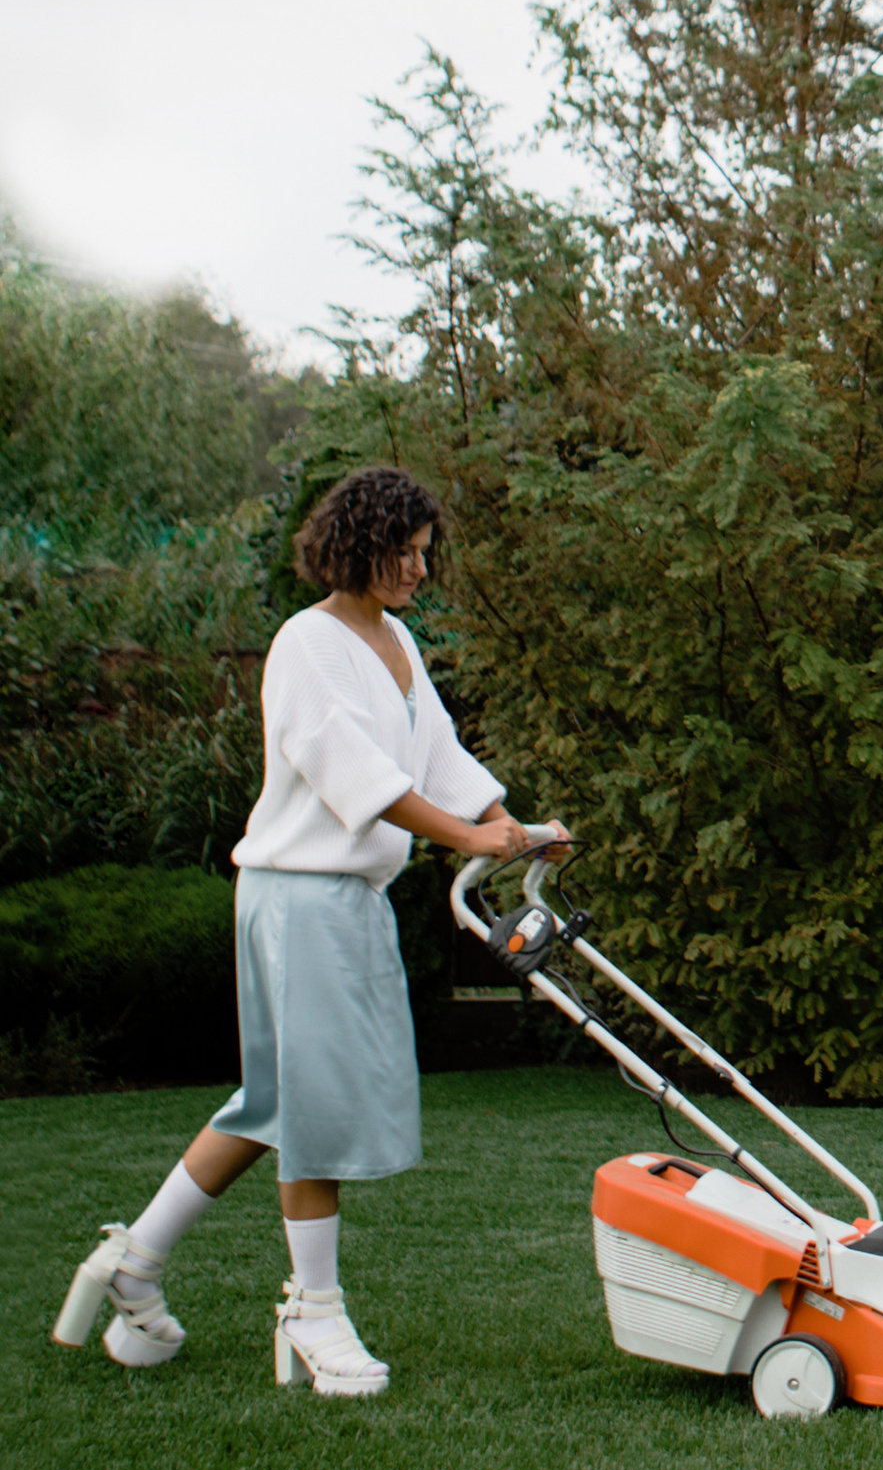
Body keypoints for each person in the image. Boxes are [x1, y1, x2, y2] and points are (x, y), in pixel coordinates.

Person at [52, 463, 562, 1398]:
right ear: (360, 546)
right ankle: (313, 1311)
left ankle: (135, 1260)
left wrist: (512, 825)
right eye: (406, 553)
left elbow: (437, 754)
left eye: (426, 554)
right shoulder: (307, 643)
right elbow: (351, 771)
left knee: (274, 1104)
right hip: (297, 897)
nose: (420, 570)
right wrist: (466, 839)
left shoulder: (396, 640)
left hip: (347, 902)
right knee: (312, 1110)